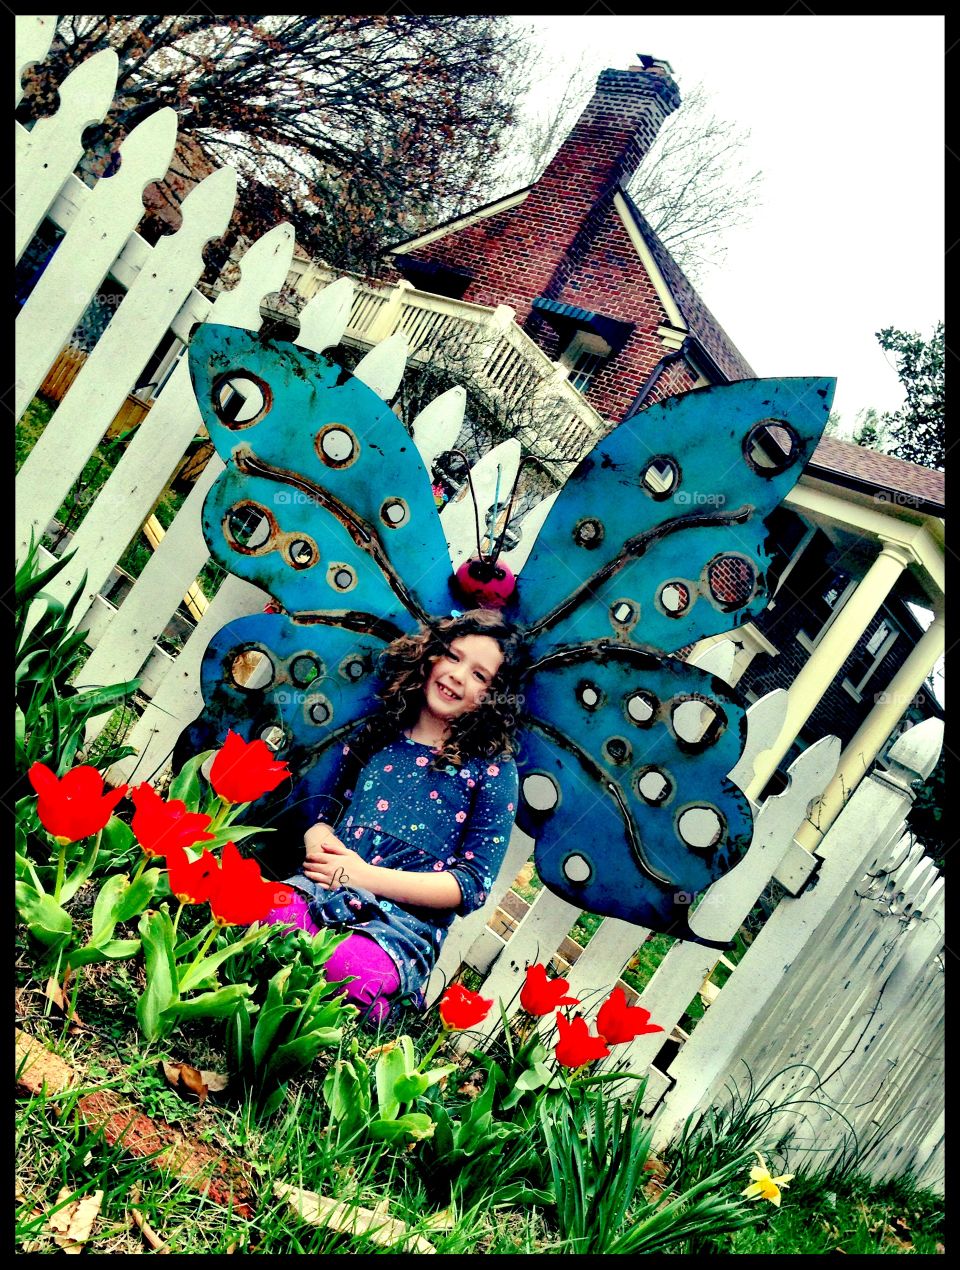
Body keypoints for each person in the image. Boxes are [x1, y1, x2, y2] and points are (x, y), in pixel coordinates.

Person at [262, 609, 525, 1025]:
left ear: (495, 697)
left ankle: (387, 1000)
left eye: (480, 676)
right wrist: (318, 838)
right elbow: (328, 809)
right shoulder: (381, 731)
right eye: (454, 657)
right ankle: (314, 975)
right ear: (431, 656)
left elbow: (470, 886)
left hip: (401, 925)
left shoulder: (492, 768)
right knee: (264, 912)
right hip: (325, 889)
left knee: (347, 969)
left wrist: (363, 877)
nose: (458, 675)